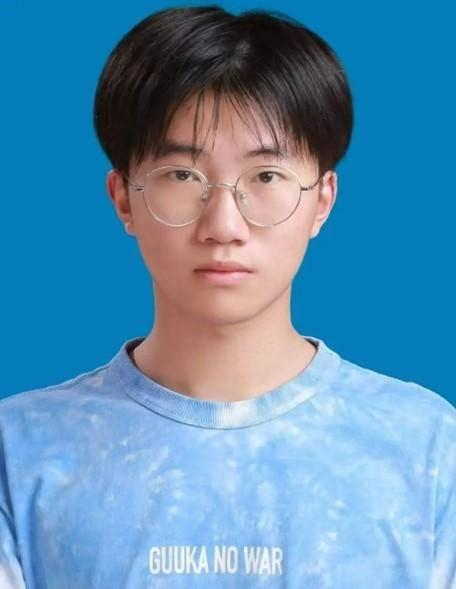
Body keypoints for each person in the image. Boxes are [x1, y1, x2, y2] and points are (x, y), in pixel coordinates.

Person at [0, 5, 454, 588]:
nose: (223, 225)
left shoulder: (428, 449)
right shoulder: (22, 454)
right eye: (182, 176)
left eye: (265, 177)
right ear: (123, 199)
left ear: (322, 200)